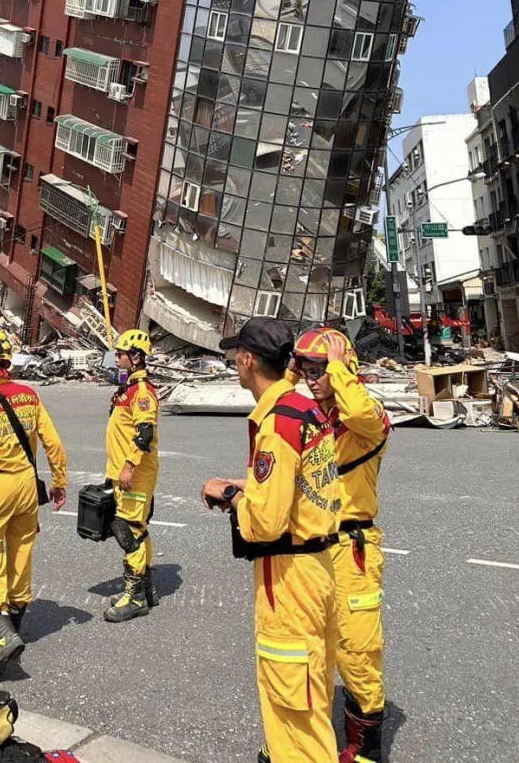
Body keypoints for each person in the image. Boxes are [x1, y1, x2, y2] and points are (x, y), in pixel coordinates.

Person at [202, 317, 340, 763]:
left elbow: (264, 522)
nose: (234, 366)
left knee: (293, 710)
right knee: (311, 693)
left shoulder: (278, 423)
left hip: (289, 578)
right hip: (317, 566)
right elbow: (296, 487)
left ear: (247, 360)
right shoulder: (307, 410)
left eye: (235, 358)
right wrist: (246, 487)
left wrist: (228, 497)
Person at [291, 327, 391, 763]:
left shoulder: (368, 417)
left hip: (353, 548)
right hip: (314, 549)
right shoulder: (317, 422)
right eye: (308, 370)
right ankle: (304, 741)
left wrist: (340, 370)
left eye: (320, 370)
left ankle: (364, 748)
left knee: (357, 652)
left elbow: (366, 417)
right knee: (312, 646)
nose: (313, 378)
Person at [0, 330, 67, 681]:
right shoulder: (30, 396)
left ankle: (0, 627)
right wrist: (60, 483)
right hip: (27, 484)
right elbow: (52, 442)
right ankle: (17, 618)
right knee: (21, 549)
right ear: (8, 361)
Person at [103, 329, 160, 622]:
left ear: (136, 357)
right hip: (125, 471)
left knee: (129, 531)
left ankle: (135, 597)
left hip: (135, 474)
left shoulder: (141, 393)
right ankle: (145, 589)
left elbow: (144, 433)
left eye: (121, 354)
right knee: (139, 527)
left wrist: (128, 466)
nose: (117, 357)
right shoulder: (128, 389)